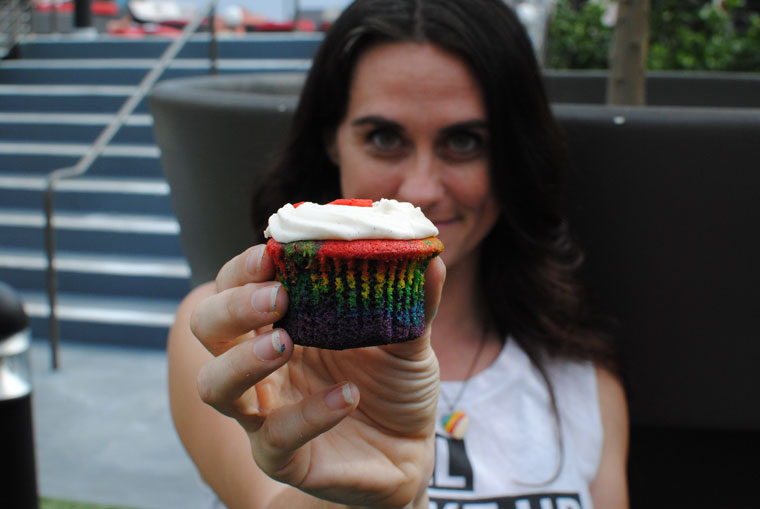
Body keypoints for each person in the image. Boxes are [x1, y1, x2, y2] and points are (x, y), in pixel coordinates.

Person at [167, 0, 629, 507]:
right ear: (332, 141)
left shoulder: (584, 382)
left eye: (464, 142)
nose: (422, 188)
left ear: (512, 156)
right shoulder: (237, 346)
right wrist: (355, 496)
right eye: (385, 138)